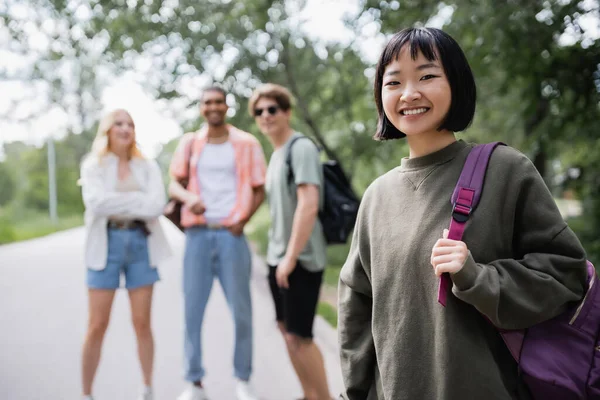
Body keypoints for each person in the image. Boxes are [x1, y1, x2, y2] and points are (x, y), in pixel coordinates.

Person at [337, 27, 589, 400]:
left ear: (456, 83)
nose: (409, 93)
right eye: (394, 82)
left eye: (426, 76)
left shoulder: (505, 170)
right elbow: (356, 304)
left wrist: (478, 277)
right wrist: (353, 393)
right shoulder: (377, 196)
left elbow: (566, 273)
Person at [169, 86, 267, 400]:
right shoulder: (190, 143)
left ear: (227, 107)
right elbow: (173, 184)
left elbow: (259, 188)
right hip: (197, 234)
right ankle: (194, 382)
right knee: (191, 311)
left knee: (241, 310)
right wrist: (189, 198)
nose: (213, 107)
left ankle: (243, 379)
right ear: (201, 108)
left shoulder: (246, 143)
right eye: (207, 102)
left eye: (218, 102)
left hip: (231, 235)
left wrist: (242, 221)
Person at [79, 109, 171, 400]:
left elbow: (156, 205)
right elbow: (96, 203)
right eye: (118, 123)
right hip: (105, 243)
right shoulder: (93, 165)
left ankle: (147, 388)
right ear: (107, 130)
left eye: (130, 124)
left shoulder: (148, 166)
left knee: (142, 323)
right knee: (97, 325)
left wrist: (120, 202)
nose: (125, 128)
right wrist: (136, 200)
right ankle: (87, 393)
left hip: (140, 243)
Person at [249, 83, 333, 400]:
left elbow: (308, 203)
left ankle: (324, 397)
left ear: (286, 112)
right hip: (278, 258)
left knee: (302, 335)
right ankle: (308, 394)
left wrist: (291, 257)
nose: (265, 115)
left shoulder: (301, 148)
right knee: (288, 333)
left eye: (272, 109)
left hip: (301, 258)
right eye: (259, 111)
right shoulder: (277, 154)